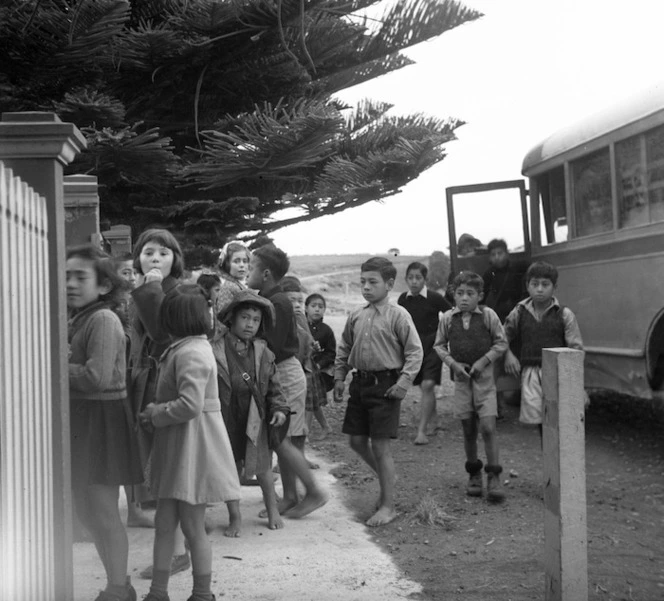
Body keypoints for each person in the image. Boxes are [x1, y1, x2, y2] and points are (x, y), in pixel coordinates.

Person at [139, 286, 241, 601]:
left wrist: (156, 413)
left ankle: (202, 594)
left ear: (173, 319)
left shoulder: (192, 352)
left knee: (193, 526)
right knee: (164, 522)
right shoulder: (187, 347)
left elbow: (190, 405)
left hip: (192, 448)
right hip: (179, 447)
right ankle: (158, 593)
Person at [67, 245, 143, 601]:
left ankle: (117, 588)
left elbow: (96, 377)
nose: (70, 283)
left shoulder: (103, 319)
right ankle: (118, 585)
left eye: (80, 277)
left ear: (102, 286)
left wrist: (51, 365)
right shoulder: (80, 316)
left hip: (102, 418)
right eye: (66, 276)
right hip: (87, 419)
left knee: (102, 509)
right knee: (88, 509)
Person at [333, 257, 423, 526]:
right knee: (356, 441)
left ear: (390, 284)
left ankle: (387, 505)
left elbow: (415, 352)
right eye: (362, 282)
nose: (366, 287)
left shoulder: (399, 315)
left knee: (380, 446)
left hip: (386, 387)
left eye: (373, 282)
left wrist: (404, 383)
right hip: (359, 385)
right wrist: (339, 377)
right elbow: (344, 348)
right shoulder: (356, 315)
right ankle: (388, 478)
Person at [246, 244, 329, 518]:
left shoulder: (277, 302)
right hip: (276, 372)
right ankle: (291, 496)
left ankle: (313, 492)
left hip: (285, 373)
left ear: (266, 273)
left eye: (251, 266)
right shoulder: (270, 298)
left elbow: (274, 344)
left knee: (283, 440)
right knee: (281, 437)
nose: (247, 271)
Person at [128, 228, 190, 579]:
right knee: (159, 470)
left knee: (168, 472)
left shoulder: (175, 293)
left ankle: (177, 553)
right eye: (149, 252)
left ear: (175, 260)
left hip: (166, 386)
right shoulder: (144, 289)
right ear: (137, 257)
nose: (155, 258)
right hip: (146, 384)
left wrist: (150, 287)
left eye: (164, 253)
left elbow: (158, 333)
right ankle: (178, 548)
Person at [210, 290, 290, 535]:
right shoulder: (214, 350)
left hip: (255, 415)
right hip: (224, 416)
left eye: (255, 320)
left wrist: (278, 408)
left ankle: (272, 507)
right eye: (245, 317)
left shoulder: (263, 353)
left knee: (263, 466)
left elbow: (274, 387)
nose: (250, 324)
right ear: (231, 319)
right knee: (230, 468)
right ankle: (235, 517)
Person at [433, 271, 508, 502]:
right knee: (468, 427)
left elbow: (501, 343)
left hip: (484, 381)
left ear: (480, 296)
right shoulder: (447, 318)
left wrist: (482, 361)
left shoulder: (488, 315)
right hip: (462, 382)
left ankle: (493, 476)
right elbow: (439, 346)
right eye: (459, 293)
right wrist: (454, 365)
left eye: (470, 293)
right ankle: (474, 474)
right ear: (453, 295)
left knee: (487, 426)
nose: (464, 298)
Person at [503, 261, 584, 440]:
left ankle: (563, 465)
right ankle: (550, 462)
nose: (539, 289)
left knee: (560, 419)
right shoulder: (520, 311)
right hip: (531, 373)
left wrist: (577, 385)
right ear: (527, 286)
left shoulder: (564, 314)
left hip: (558, 373)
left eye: (545, 285)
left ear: (554, 287)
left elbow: (576, 349)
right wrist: (508, 355)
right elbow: (502, 336)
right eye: (535, 284)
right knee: (542, 422)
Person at [112, 253, 154, 529]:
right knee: (120, 446)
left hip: (132, 378)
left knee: (131, 445)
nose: (130, 278)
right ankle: (131, 510)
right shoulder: (114, 307)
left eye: (133, 273)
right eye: (124, 272)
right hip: (118, 380)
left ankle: (136, 508)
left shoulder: (134, 303)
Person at [397, 262, 451, 445]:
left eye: (418, 278)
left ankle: (421, 431)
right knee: (424, 386)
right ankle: (434, 420)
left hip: (434, 347)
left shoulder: (435, 297)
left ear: (425, 280)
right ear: (406, 279)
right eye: (410, 278)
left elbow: (451, 314)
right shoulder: (403, 300)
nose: (414, 282)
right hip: (414, 350)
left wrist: (444, 336)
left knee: (428, 385)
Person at [280, 276, 324, 468]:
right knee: (286, 423)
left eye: (299, 301)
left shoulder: (300, 318)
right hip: (287, 374)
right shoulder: (281, 319)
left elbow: (308, 342)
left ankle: (300, 457)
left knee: (302, 421)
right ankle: (286, 461)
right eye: (292, 301)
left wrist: (313, 345)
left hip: (305, 373)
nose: (297, 305)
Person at [481, 239, 529, 417]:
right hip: (496, 320)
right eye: (493, 254)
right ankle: (496, 404)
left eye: (500, 253)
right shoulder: (488, 274)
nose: (497, 257)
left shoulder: (516, 270)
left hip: (516, 319)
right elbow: (482, 296)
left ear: (507, 253)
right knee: (494, 362)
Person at [305, 293, 336, 440]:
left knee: (309, 402)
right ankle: (325, 426)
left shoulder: (326, 330)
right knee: (312, 401)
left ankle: (304, 433)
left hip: (318, 371)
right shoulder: (300, 326)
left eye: (320, 306)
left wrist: (318, 364)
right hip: (302, 368)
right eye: (313, 306)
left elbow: (331, 353)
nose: (317, 309)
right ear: (306, 308)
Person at [216, 240, 251, 313]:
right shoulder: (228, 287)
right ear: (227, 264)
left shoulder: (239, 285)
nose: (242, 265)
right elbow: (223, 317)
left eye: (245, 261)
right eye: (236, 261)